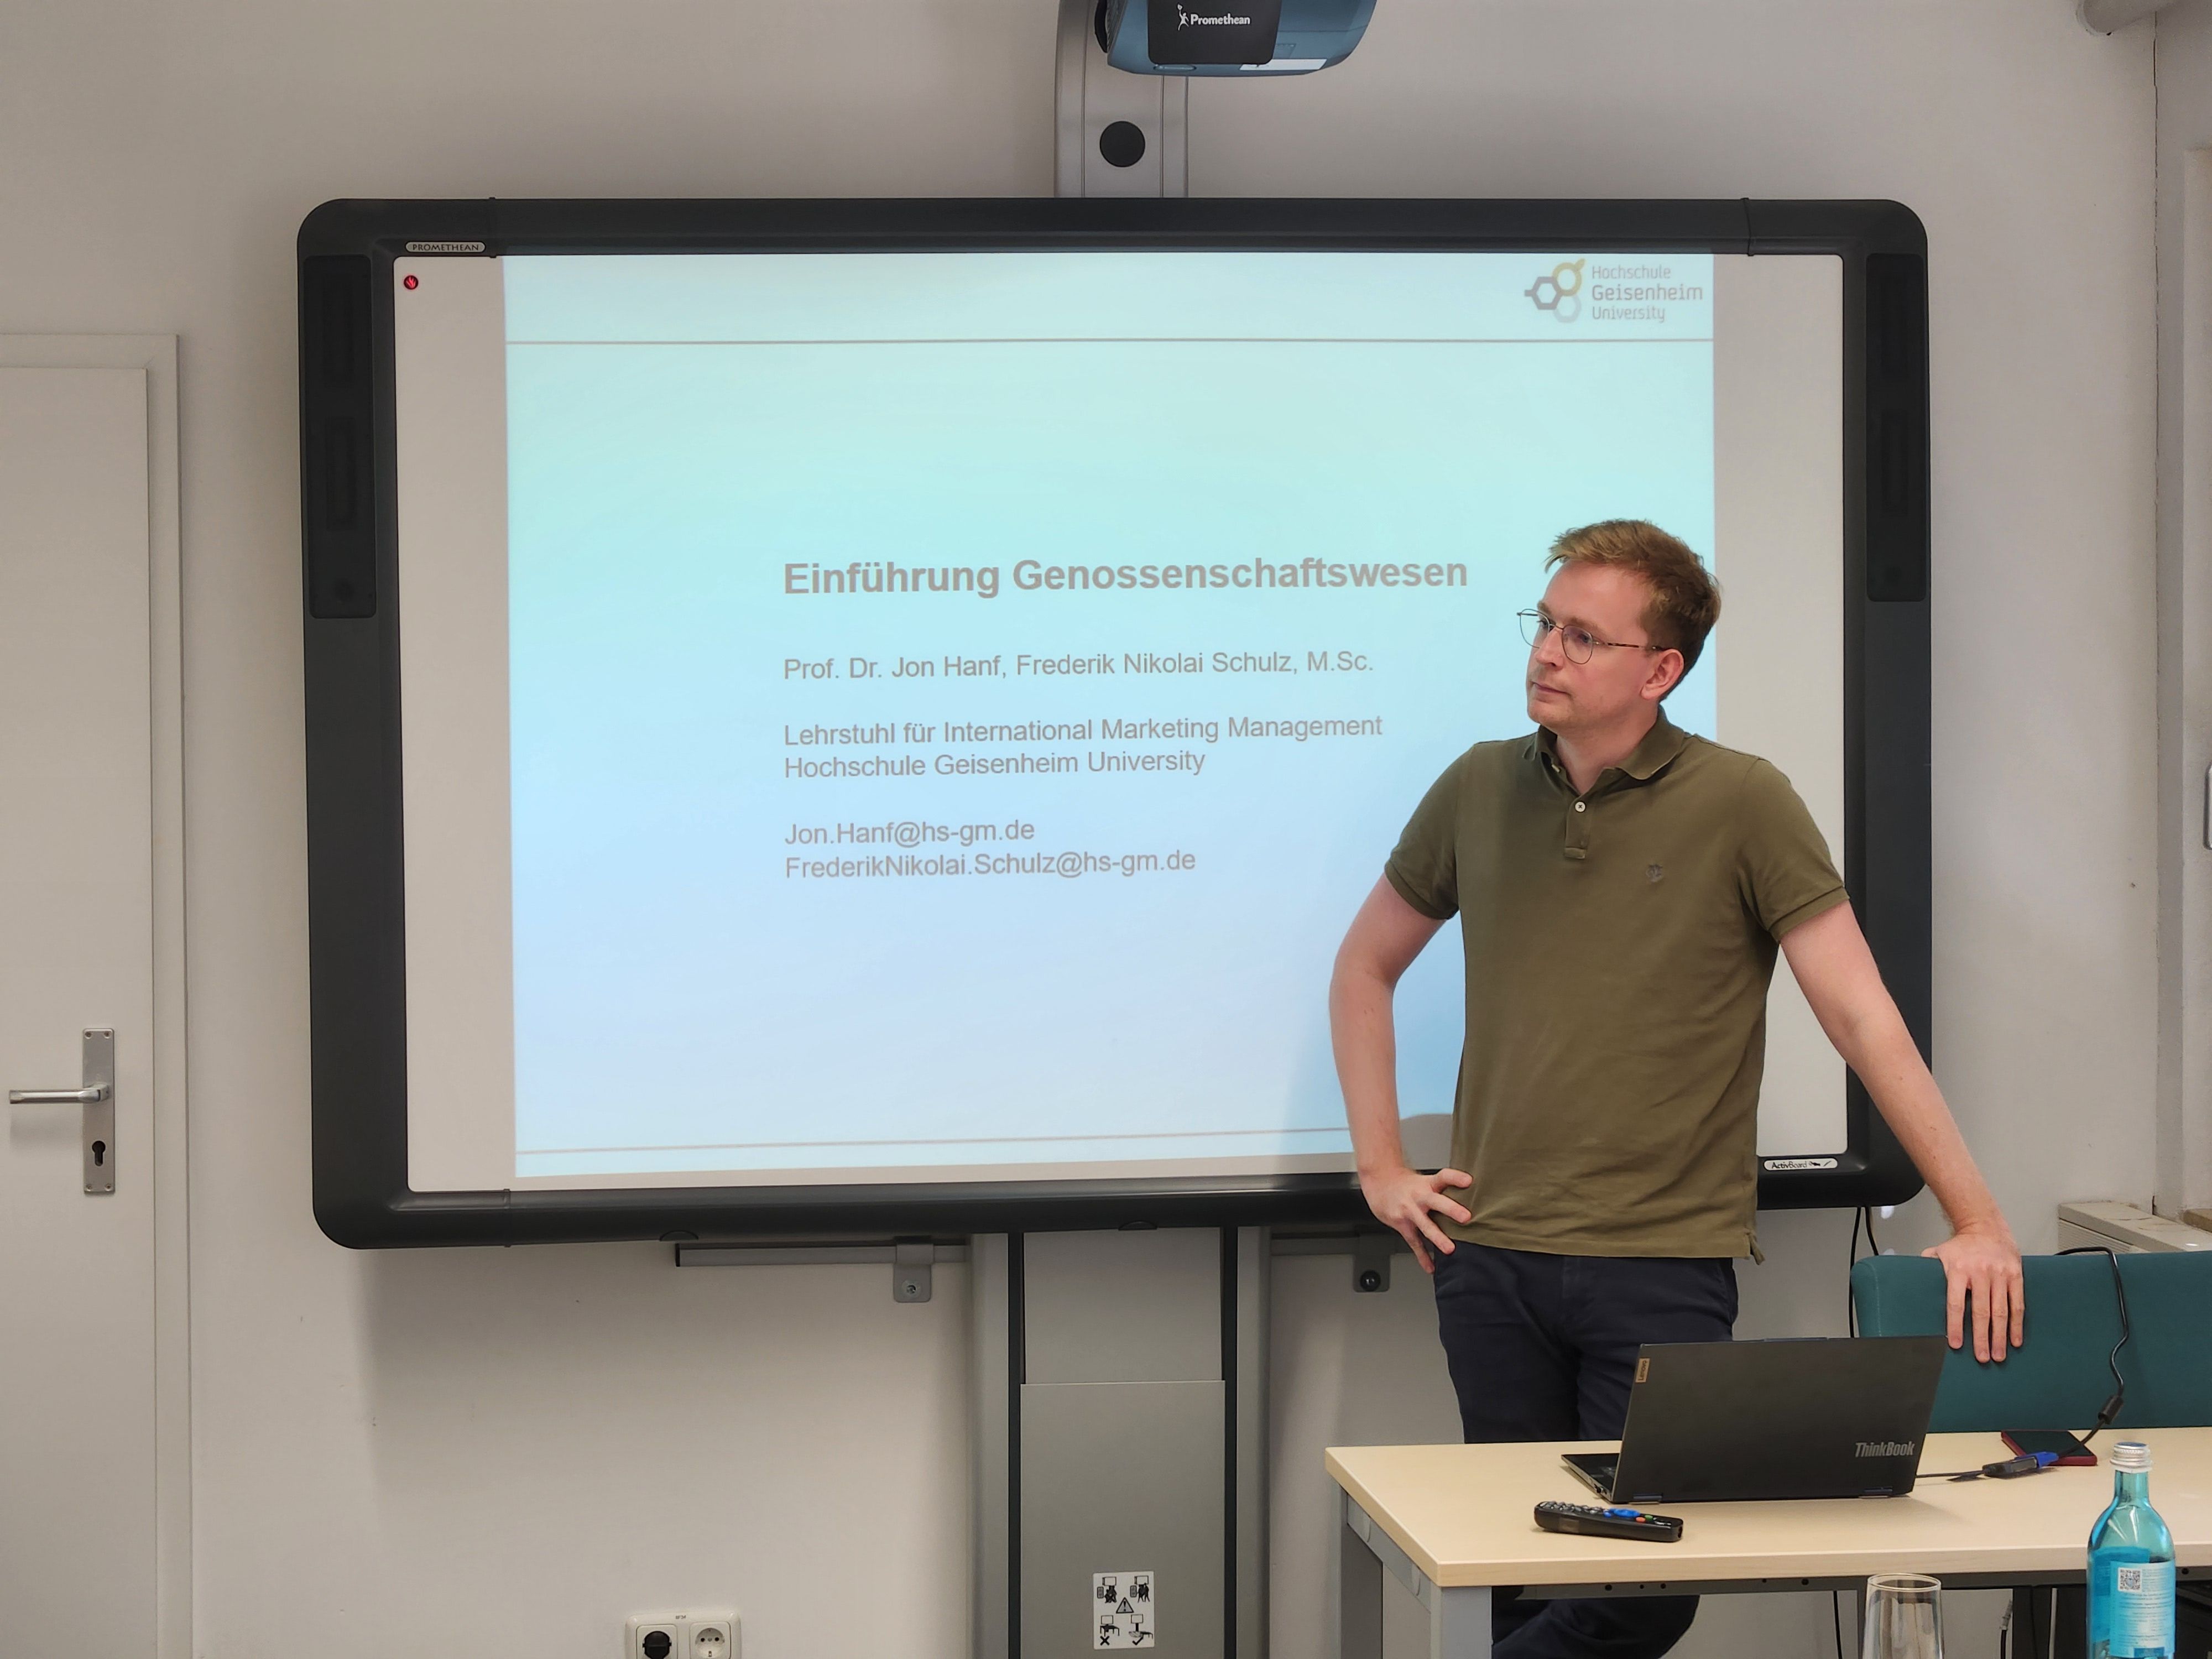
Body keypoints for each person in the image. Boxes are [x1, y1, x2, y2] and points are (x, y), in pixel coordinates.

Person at [1328, 519, 2023, 1659]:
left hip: (1659, 1264)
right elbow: (1364, 966)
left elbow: (1859, 1015)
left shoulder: (1742, 800)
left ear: (1659, 671)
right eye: (1544, 624)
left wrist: (1976, 1217)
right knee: (1518, 1579)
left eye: (1582, 637)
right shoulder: (1476, 786)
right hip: (1490, 1259)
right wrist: (1379, 1167)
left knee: (1643, 1586)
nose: (1546, 652)